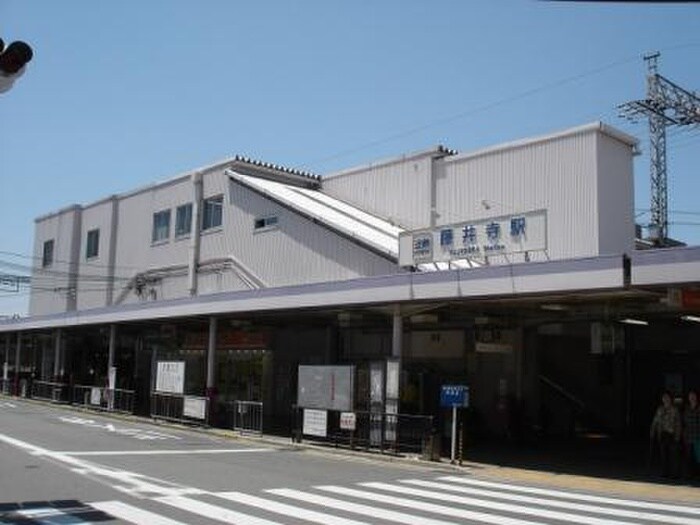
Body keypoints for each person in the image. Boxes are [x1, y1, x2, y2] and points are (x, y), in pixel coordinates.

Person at [650, 391, 681, 477]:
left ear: (670, 399)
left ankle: (674, 473)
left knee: (673, 455)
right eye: (664, 397)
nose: (665, 399)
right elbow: (655, 421)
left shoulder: (675, 409)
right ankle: (665, 472)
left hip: (672, 434)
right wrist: (652, 431)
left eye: (667, 397)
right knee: (664, 455)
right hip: (662, 434)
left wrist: (677, 436)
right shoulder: (660, 409)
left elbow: (678, 423)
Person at [682, 390, 700, 479]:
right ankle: (690, 474)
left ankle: (698, 474)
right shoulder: (687, 408)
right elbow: (684, 422)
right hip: (688, 436)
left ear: (696, 397)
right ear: (688, 398)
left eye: (693, 395)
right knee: (689, 456)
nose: (692, 397)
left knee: (698, 457)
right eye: (690, 396)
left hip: (698, 436)